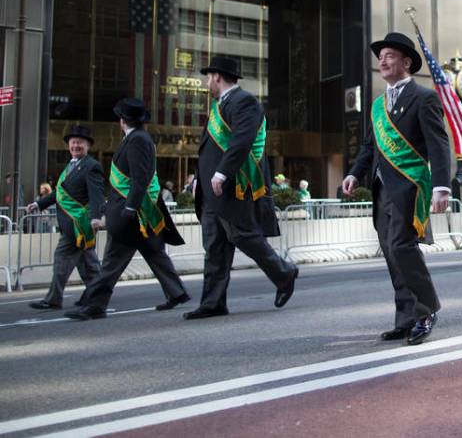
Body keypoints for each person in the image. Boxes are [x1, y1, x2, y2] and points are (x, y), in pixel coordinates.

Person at [343, 32, 452, 345]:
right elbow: (370, 145)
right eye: (381, 57)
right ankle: (405, 318)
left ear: (406, 62)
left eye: (390, 55)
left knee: (403, 247)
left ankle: (426, 309)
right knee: (392, 252)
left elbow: (438, 143)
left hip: (409, 186)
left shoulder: (423, 97)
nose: (383, 61)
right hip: (381, 189)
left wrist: (442, 186)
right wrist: (354, 173)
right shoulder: (378, 105)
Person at [187, 56, 299, 319]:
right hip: (212, 190)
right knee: (214, 245)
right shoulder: (219, 106)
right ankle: (213, 302)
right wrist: (197, 180)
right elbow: (209, 150)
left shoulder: (244, 102)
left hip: (233, 186)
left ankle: (284, 274)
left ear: (217, 76)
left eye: (208, 77)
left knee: (242, 236)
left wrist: (222, 173)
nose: (206, 82)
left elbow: (242, 140)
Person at [65, 99, 189, 320]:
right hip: (136, 212)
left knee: (111, 263)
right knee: (154, 253)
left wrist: (129, 208)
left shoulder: (137, 141)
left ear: (122, 121)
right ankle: (176, 292)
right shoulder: (136, 138)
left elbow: (139, 179)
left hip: (131, 214)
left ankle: (95, 305)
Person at [26, 126, 103, 310]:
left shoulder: (91, 166)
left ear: (88, 146)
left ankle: (53, 299)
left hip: (78, 224)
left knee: (62, 257)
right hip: (71, 224)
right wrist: (39, 204)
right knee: (89, 265)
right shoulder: (70, 165)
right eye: (73, 142)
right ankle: (97, 294)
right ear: (69, 145)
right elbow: (59, 194)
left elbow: (96, 195)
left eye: (80, 143)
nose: (76, 146)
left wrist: (96, 217)